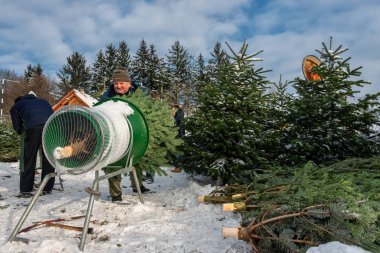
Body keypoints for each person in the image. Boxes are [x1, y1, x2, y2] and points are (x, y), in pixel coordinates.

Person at [101, 67, 150, 202]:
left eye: (122, 82)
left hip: (136, 131)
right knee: (114, 161)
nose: (118, 86)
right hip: (117, 134)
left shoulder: (139, 94)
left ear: (129, 83)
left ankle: (137, 185)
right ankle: (116, 193)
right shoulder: (107, 98)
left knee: (138, 158)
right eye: (116, 83)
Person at [10, 91, 55, 198]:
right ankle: (47, 188)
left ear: (18, 102)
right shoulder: (44, 101)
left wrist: (23, 131)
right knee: (48, 159)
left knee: (29, 159)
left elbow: (17, 127)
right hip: (51, 128)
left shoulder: (16, 107)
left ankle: (26, 190)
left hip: (33, 129)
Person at [171, 104, 185, 173]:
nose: (172, 110)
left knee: (178, 151)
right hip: (178, 134)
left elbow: (180, 124)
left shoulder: (179, 114)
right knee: (177, 151)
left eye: (173, 109)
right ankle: (178, 166)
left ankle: (178, 167)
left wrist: (176, 130)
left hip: (179, 135)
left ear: (176, 108)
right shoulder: (178, 114)